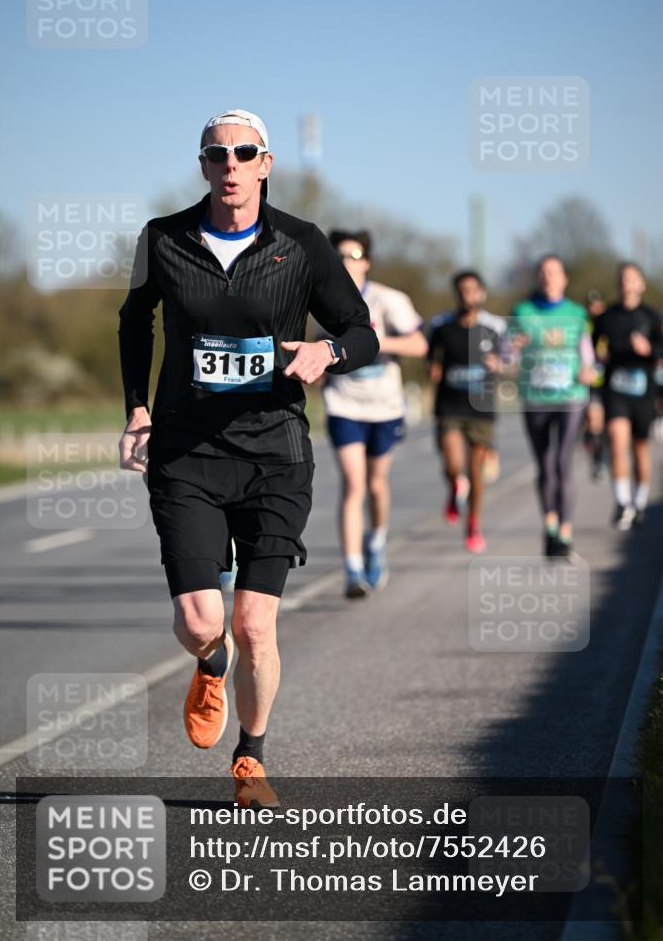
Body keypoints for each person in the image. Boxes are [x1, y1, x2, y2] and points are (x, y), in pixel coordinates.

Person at [118, 109, 378, 806]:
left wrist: (329, 350)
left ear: (265, 164)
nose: (229, 164)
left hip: (274, 455)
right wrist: (136, 409)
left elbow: (361, 331)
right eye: (216, 153)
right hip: (187, 453)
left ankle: (251, 757)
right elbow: (133, 318)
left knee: (255, 621)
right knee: (205, 622)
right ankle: (210, 664)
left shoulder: (302, 243)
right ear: (202, 165)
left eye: (244, 153)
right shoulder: (163, 238)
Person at [320, 230, 427, 597]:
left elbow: (419, 343)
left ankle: (376, 541)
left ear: (366, 261)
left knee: (377, 485)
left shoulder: (389, 299)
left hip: (384, 405)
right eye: (341, 256)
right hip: (344, 404)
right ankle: (352, 571)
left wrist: (371, 344)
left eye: (355, 255)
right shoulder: (321, 300)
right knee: (354, 485)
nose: (348, 262)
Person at [508, 255, 595, 559]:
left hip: (571, 395)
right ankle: (550, 524)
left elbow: (588, 355)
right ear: (538, 278)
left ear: (564, 278)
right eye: (543, 273)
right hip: (535, 397)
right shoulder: (522, 311)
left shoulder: (577, 313)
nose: (548, 278)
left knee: (562, 462)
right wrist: (511, 350)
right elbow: (508, 356)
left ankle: (566, 531)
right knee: (544, 463)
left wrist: (589, 372)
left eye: (554, 273)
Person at [428, 270, 506, 553]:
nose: (467, 295)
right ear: (456, 294)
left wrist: (502, 363)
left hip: (481, 408)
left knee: (476, 471)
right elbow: (430, 355)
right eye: (461, 290)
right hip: (449, 405)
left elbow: (512, 360)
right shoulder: (441, 326)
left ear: (481, 293)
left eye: (472, 290)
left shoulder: (495, 327)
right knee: (452, 463)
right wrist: (432, 367)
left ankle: (473, 523)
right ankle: (454, 486)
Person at [592, 262, 663, 529]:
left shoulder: (652, 316)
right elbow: (591, 345)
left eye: (632, 279)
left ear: (641, 284)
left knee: (640, 449)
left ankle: (640, 502)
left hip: (643, 391)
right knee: (616, 440)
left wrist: (649, 349)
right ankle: (622, 502)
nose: (627, 284)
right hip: (615, 389)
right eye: (622, 279)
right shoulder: (607, 316)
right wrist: (598, 357)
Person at [583, 290, 608, 481]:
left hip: (609, 381)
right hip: (591, 380)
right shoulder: (585, 325)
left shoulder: (610, 323)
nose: (594, 308)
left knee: (604, 422)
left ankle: (602, 458)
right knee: (593, 420)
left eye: (597, 305)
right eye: (591, 305)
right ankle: (598, 459)